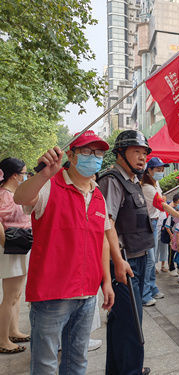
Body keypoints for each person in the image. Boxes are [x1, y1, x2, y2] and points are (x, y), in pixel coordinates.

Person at [14, 131, 116, 375]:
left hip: (87, 293)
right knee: (45, 364)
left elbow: (101, 240)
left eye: (99, 153)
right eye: (87, 152)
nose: (95, 157)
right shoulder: (49, 185)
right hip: (51, 294)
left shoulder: (98, 195)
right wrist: (43, 174)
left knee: (77, 361)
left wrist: (107, 282)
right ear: (70, 154)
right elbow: (21, 197)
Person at [98, 130, 179, 375]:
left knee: (126, 323)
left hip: (136, 259)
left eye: (144, 153)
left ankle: (124, 369)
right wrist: (117, 261)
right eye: (136, 152)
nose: (142, 158)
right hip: (124, 263)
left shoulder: (132, 180)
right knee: (129, 325)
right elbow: (106, 224)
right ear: (120, 153)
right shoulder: (112, 181)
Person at [0, 158, 31, 354]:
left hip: (20, 247)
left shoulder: (13, 194)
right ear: (14, 175)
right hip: (11, 249)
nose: (25, 177)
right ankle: (3, 340)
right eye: (24, 174)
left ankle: (13, 330)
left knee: (17, 294)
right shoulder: (4, 195)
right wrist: (7, 244)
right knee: (10, 296)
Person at [140, 157, 168, 306]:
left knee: (153, 259)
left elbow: (161, 200)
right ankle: (144, 293)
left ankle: (152, 288)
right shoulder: (147, 188)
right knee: (149, 260)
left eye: (162, 170)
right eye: (158, 169)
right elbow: (162, 204)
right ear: (149, 170)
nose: (161, 172)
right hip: (148, 223)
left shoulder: (155, 184)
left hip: (155, 222)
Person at [160, 193, 179, 274]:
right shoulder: (172, 214)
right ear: (174, 203)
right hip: (173, 237)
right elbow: (167, 226)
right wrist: (171, 235)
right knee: (171, 253)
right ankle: (171, 268)